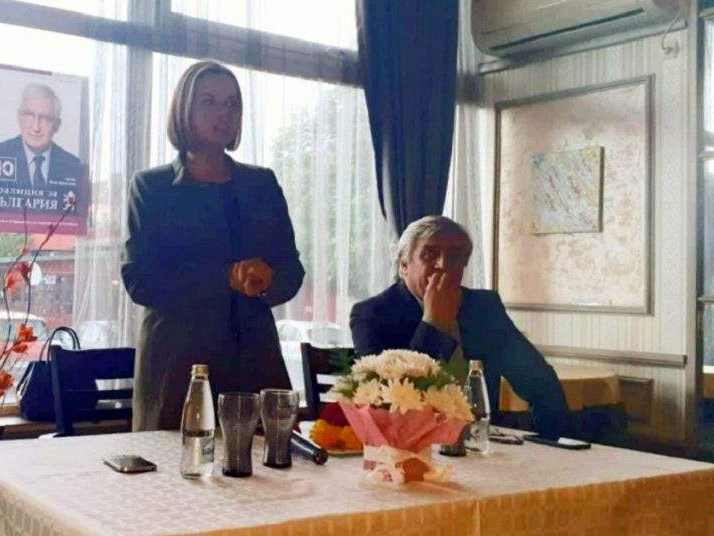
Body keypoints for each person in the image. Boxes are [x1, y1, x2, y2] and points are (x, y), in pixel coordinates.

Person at [121, 61, 304, 431]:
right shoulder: (152, 187)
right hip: (177, 368)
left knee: (267, 467)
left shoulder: (261, 184)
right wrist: (226, 277)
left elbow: (292, 271)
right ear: (183, 109)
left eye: (232, 103)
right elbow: (141, 281)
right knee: (173, 468)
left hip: (255, 361)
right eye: (209, 102)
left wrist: (267, 279)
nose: (224, 113)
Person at [349, 215, 571, 438]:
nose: (443, 265)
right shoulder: (371, 314)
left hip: (482, 441)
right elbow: (388, 400)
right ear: (404, 265)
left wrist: (553, 442)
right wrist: (433, 323)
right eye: (430, 254)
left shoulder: (484, 307)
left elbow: (540, 382)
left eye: (454, 257)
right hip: (409, 443)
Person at [0, 83, 85, 205]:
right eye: (29, 115)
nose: (36, 127)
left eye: (45, 118)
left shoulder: (73, 167)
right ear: (19, 117)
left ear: (57, 125)